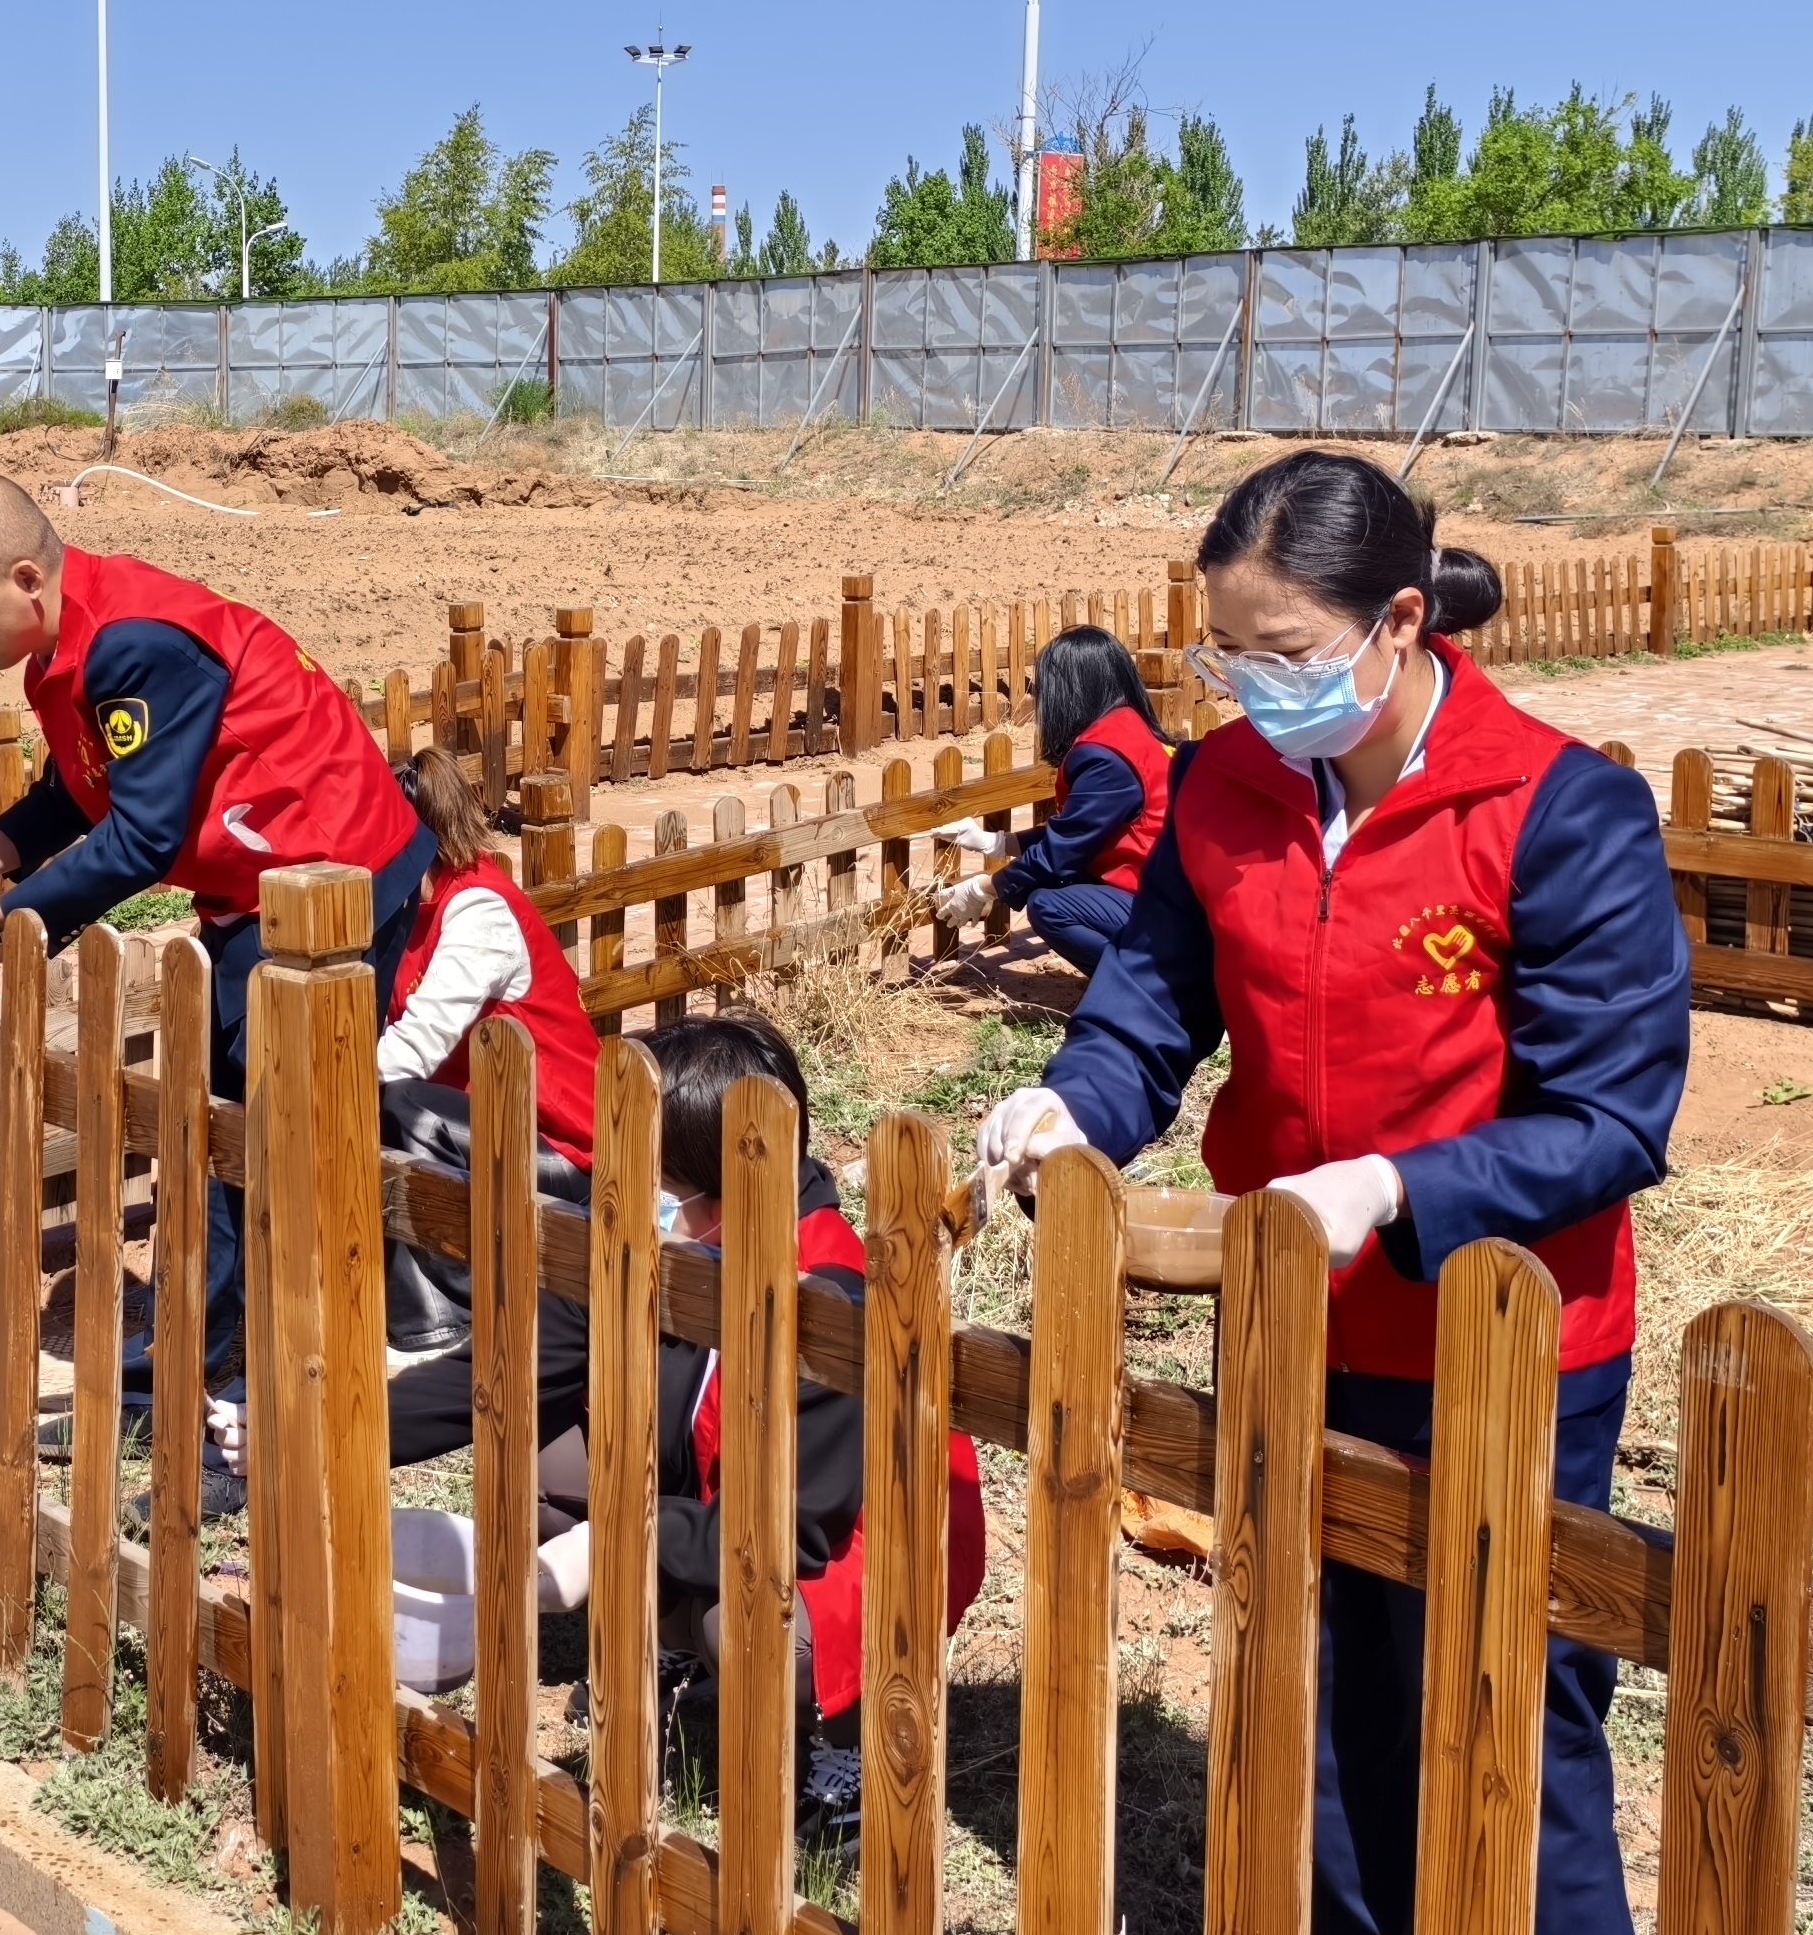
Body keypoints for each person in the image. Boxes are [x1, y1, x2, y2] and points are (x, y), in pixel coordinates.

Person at [974, 447, 1689, 1935]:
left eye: (1285, 655)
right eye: (1225, 656)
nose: (1252, 689)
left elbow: (1611, 1118)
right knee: (1319, 1691)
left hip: (1503, 1348)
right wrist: (1074, 1105)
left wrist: (1396, 1186)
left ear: (1402, 625)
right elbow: (1151, 1006)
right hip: (1295, 1319)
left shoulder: (1559, 812)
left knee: (1506, 1719)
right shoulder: (1227, 789)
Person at [0, 471, 434, 1505]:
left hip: (325, 883)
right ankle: (184, 1378)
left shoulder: (135, 644)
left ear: (25, 578)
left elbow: (141, 836)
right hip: (257, 887)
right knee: (228, 1143)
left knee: (278, 1152)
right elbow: (75, 792)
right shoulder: (71, 642)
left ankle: (260, 1422)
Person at [529, 1014, 989, 1842]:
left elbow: (795, 1536)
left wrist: (622, 1536)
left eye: (659, 1183)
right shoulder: (700, 1256)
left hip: (854, 1555)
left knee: (740, 1619)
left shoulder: (833, 1299)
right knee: (547, 1466)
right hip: (724, 1496)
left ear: (720, 1183)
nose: (639, 1198)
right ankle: (671, 1638)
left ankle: (846, 1749)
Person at [370, 745, 601, 1373]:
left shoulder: (477, 909)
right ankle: (420, 1310)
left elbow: (416, 1045)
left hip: (564, 1147)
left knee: (397, 1107)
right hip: (487, 1130)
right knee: (392, 1111)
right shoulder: (414, 909)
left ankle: (458, 1312)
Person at [931, 624, 1170, 975]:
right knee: (1051, 884)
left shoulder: (1105, 759)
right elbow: (1082, 830)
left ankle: (1146, 988)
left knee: (1048, 905)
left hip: (1161, 903)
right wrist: (998, 843)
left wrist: (986, 887)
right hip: (1163, 888)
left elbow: (1063, 853)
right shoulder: (1129, 729)